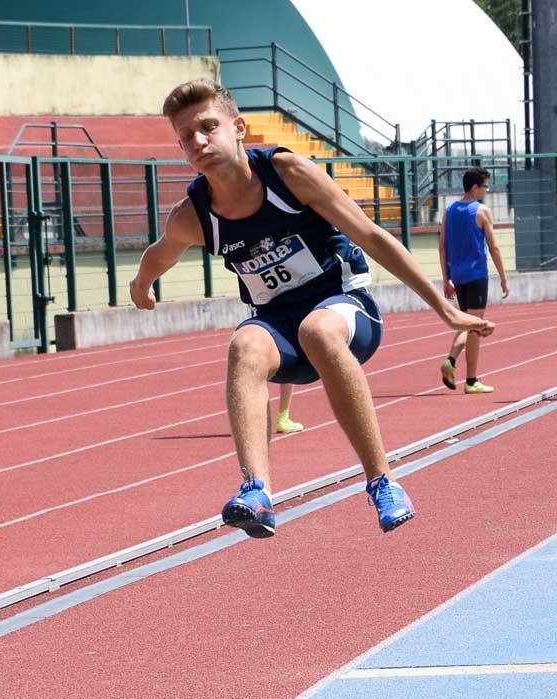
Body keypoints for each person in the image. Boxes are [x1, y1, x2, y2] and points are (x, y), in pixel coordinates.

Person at [130, 79, 495, 539]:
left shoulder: (288, 173)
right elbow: (161, 251)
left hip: (343, 308)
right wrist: (142, 283)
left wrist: (445, 310)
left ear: (238, 127)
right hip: (280, 328)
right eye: (186, 136)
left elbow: (371, 235)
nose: (199, 141)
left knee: (317, 329)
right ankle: (256, 492)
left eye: (208, 127)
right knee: (244, 343)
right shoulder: (193, 214)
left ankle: (382, 481)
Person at [439, 167, 509, 393]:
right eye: (485, 186)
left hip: (457, 276)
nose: (486, 190)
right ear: (475, 187)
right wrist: (503, 277)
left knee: (468, 323)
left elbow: (442, 247)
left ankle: (464, 372)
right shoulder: (482, 211)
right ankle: (467, 377)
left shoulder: (449, 211)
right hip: (476, 275)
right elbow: (494, 248)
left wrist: (446, 279)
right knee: (475, 327)